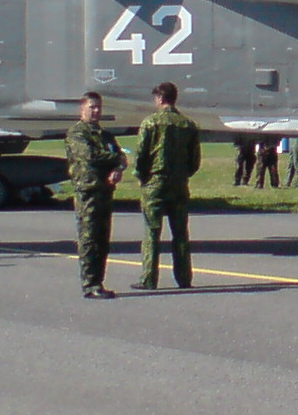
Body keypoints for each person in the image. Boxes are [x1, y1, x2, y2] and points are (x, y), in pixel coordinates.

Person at [133, 81, 201, 289]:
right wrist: (182, 174)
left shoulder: (150, 123)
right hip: (179, 183)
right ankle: (184, 278)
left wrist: (141, 176)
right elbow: (194, 160)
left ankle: (149, 278)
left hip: (155, 182)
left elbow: (141, 155)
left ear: (160, 98)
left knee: (152, 232)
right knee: (180, 232)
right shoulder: (187, 124)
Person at [65, 92, 126, 300]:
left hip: (105, 192)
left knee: (102, 239)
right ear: (82, 109)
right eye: (92, 107)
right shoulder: (77, 133)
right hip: (88, 192)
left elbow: (121, 157)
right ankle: (90, 283)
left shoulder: (105, 135)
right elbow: (91, 156)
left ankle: (99, 281)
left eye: (99, 107)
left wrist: (118, 166)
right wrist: (116, 158)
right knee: (89, 239)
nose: (96, 111)